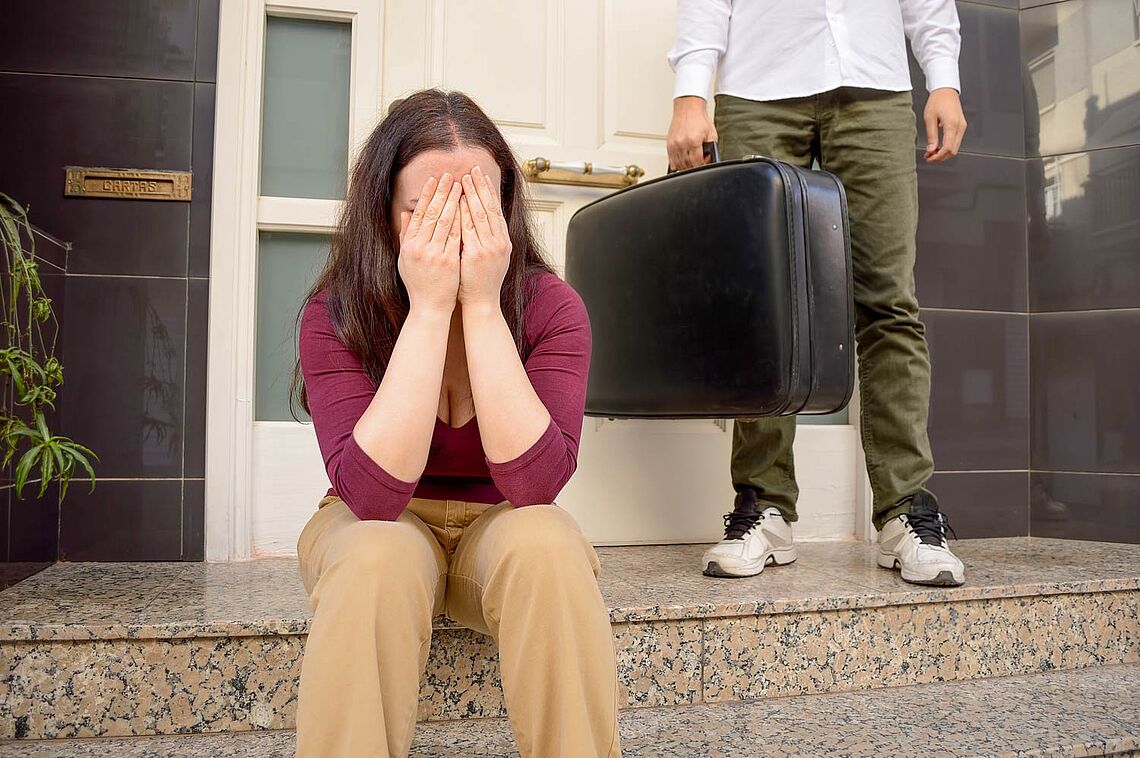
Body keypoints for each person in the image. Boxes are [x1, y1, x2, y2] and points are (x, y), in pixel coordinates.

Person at [291, 89, 621, 758]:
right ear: (383, 215)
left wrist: (480, 304)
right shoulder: (337, 311)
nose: (455, 232)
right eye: (426, 213)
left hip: (501, 522)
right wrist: (429, 305)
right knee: (372, 554)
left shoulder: (551, 307)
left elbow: (534, 484)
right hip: (378, 519)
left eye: (474, 210)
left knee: (549, 545)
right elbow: (374, 497)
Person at [667, 1, 968, 586]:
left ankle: (906, 510)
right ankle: (764, 505)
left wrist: (945, 79)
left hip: (875, 87)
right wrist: (690, 94)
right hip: (758, 88)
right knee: (764, 309)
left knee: (889, 303)